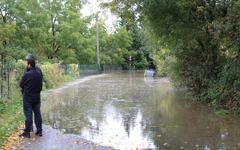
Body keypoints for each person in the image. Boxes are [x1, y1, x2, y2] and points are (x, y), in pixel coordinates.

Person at [19, 55, 43, 138]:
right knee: (37, 114)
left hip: (28, 98)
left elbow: (21, 84)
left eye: (27, 63)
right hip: (37, 97)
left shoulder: (27, 74)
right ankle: (39, 131)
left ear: (29, 65)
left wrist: (25, 89)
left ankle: (27, 132)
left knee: (28, 115)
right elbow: (41, 86)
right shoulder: (39, 73)